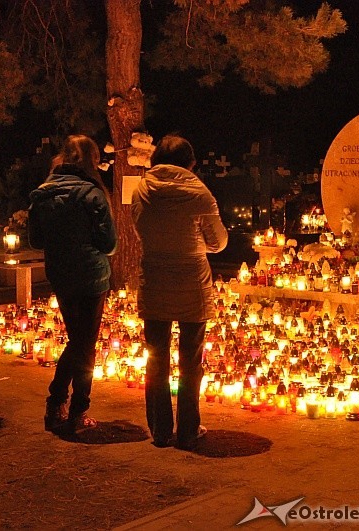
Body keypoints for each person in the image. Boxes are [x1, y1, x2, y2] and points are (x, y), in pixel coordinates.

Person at [132, 133, 227, 450]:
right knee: (191, 360)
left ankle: (160, 430)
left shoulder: (142, 190)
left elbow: (140, 228)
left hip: (155, 280)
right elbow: (217, 242)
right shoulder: (200, 195)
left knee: (156, 357)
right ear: (191, 163)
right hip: (191, 284)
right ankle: (188, 429)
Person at [28, 135, 117, 433]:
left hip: (61, 274)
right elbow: (109, 243)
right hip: (91, 276)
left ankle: (59, 406)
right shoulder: (93, 195)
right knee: (84, 344)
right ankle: (74, 408)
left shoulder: (42, 195)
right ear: (92, 161)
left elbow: (36, 240)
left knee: (78, 340)